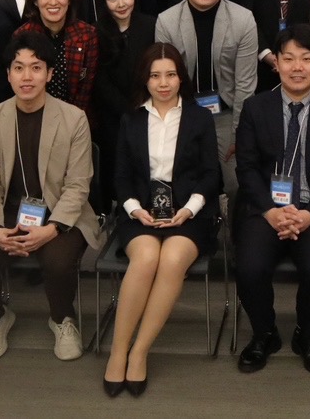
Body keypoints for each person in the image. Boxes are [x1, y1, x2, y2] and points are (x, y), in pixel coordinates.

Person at [0, 32, 103, 361]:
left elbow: (78, 185)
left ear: (50, 74)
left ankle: (62, 319)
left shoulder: (73, 118)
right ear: (8, 74)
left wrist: (51, 229)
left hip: (60, 213)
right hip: (8, 212)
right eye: (18, 68)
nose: (26, 76)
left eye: (36, 67)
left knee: (57, 262)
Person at [234, 25, 310, 376]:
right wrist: (270, 211)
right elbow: (246, 167)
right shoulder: (255, 107)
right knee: (250, 267)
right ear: (277, 63)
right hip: (265, 209)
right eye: (288, 59)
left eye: (306, 58)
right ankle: (264, 333)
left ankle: (307, 333)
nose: (297, 67)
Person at [104, 43, 221, 396]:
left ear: (181, 78)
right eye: (155, 76)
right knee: (145, 258)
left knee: (170, 259)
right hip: (141, 212)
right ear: (145, 79)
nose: (164, 83)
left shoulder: (200, 118)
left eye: (170, 75)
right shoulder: (131, 119)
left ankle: (139, 351)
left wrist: (189, 209)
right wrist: (133, 208)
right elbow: (121, 176)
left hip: (190, 213)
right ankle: (118, 352)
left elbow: (211, 175)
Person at [155, 0, 257, 201]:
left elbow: (245, 84)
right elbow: (164, 80)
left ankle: (233, 226)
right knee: (180, 181)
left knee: (237, 183)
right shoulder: (167, 21)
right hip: (184, 111)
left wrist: (239, 133)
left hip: (227, 114)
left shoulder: (243, 20)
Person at [93, 0, 156, 213]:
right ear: (104, 1)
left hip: (149, 108)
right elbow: (99, 79)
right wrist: (126, 109)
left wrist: (142, 103)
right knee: (117, 166)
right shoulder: (96, 31)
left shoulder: (151, 25)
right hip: (113, 116)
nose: (121, 4)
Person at [13, 0, 99, 116]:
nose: (53, 2)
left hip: (76, 116)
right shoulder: (22, 36)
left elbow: (86, 89)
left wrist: (72, 120)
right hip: (33, 114)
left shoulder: (87, 34)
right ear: (35, 0)